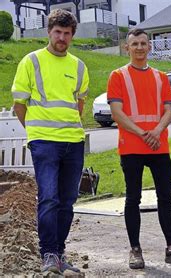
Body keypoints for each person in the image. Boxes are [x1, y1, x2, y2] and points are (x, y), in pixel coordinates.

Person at [107, 28, 171, 269]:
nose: (139, 47)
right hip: (132, 148)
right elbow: (117, 113)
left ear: (150, 47)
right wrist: (144, 134)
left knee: (166, 198)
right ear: (127, 48)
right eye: (134, 43)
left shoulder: (160, 77)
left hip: (159, 146)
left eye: (143, 43)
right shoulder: (118, 76)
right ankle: (135, 249)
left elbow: (168, 110)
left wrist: (156, 132)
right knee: (132, 199)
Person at [11, 9, 87, 274]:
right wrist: (35, 133)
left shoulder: (78, 66)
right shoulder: (30, 62)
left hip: (73, 142)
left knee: (67, 200)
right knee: (49, 198)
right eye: (58, 32)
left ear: (72, 36)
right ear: (49, 31)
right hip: (44, 142)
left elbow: (79, 104)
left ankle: (60, 252)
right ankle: (48, 254)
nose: (62, 38)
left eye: (67, 34)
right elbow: (19, 105)